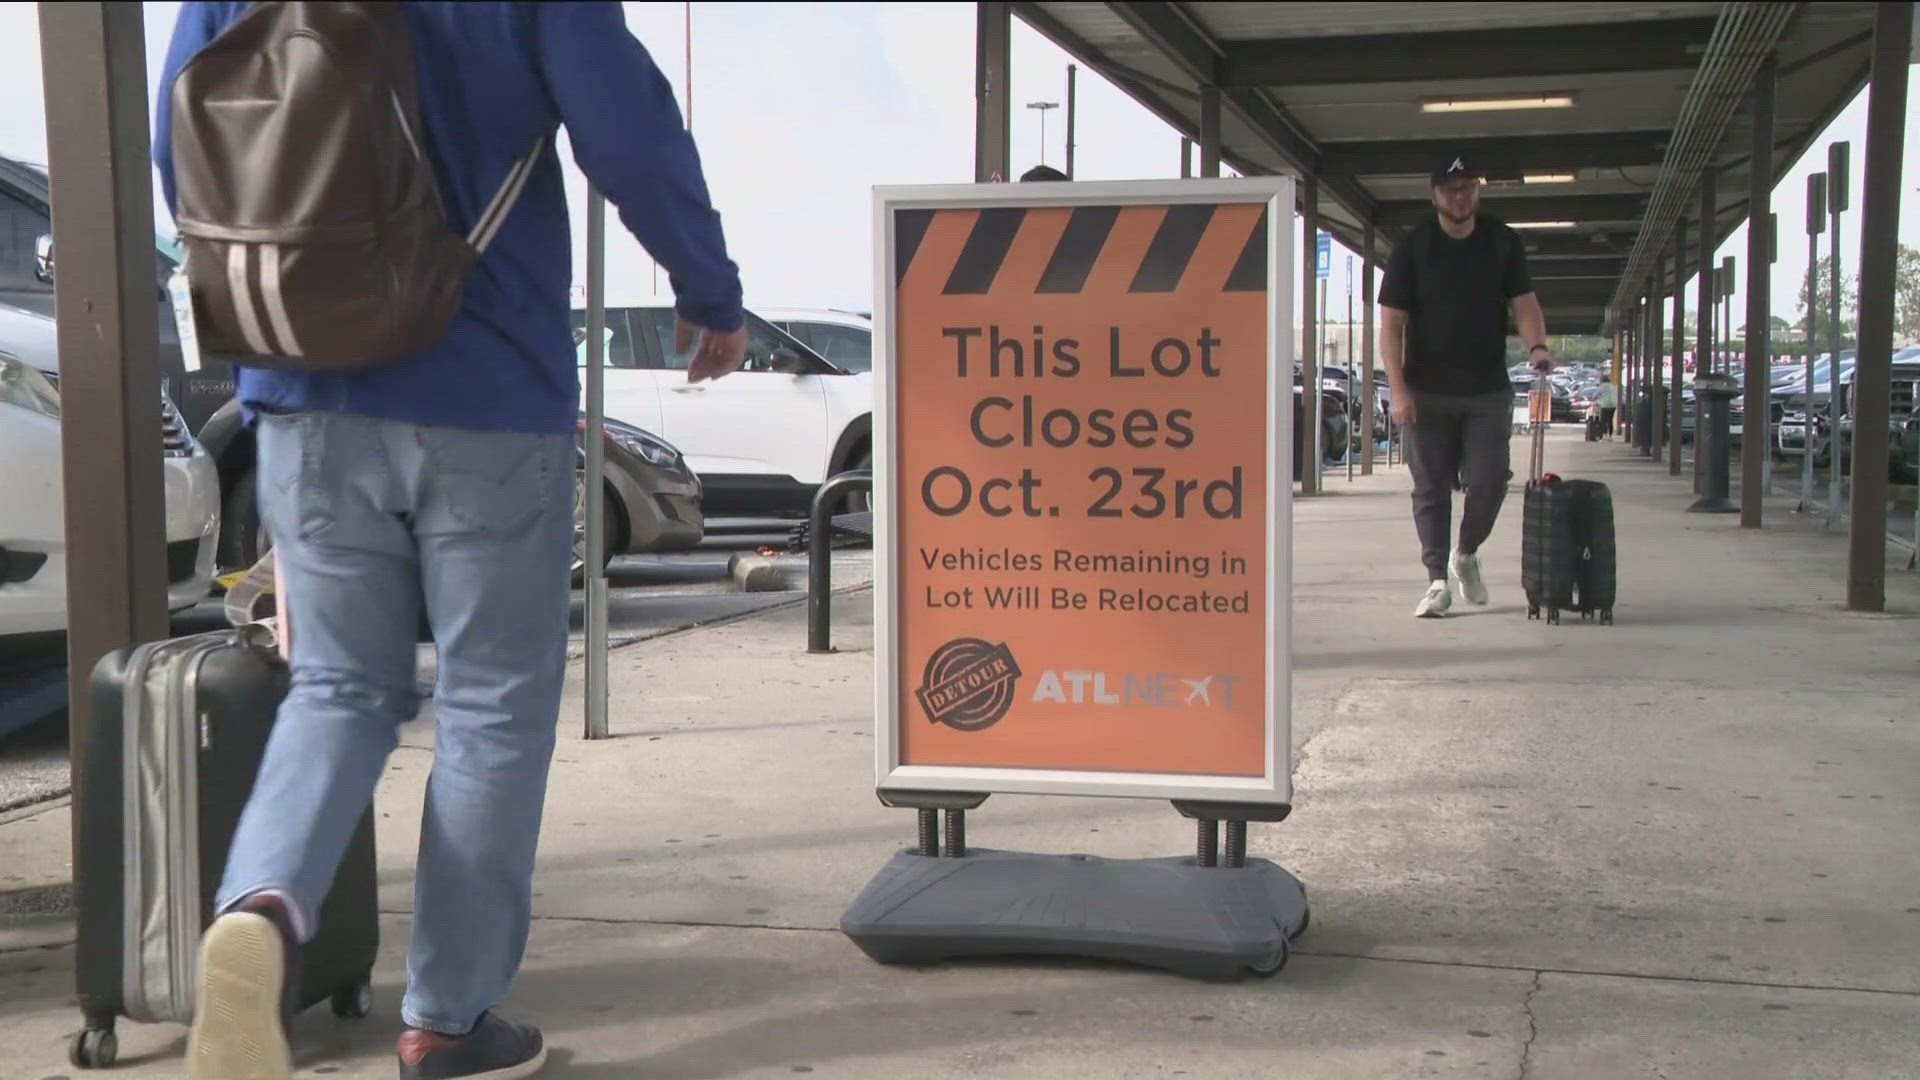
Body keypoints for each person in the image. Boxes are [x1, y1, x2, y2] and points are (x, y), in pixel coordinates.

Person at [153, 5, 747, 1079]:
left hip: (301, 391)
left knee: (338, 687)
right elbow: (629, 131)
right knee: (492, 707)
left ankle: (259, 909)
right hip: (484, 383)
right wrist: (709, 288)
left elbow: (182, 138)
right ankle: (448, 1020)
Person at [1378, 155, 1553, 619]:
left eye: (1469, 187)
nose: (1461, 196)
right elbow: (1391, 325)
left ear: (1478, 191)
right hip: (1426, 390)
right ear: (1434, 195)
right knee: (1431, 488)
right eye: (1452, 189)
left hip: (1486, 390)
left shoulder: (1501, 241)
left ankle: (1466, 552)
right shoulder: (1412, 248)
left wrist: (1537, 345)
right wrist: (1398, 390)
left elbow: (1525, 301)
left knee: (1491, 479)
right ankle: (1436, 581)